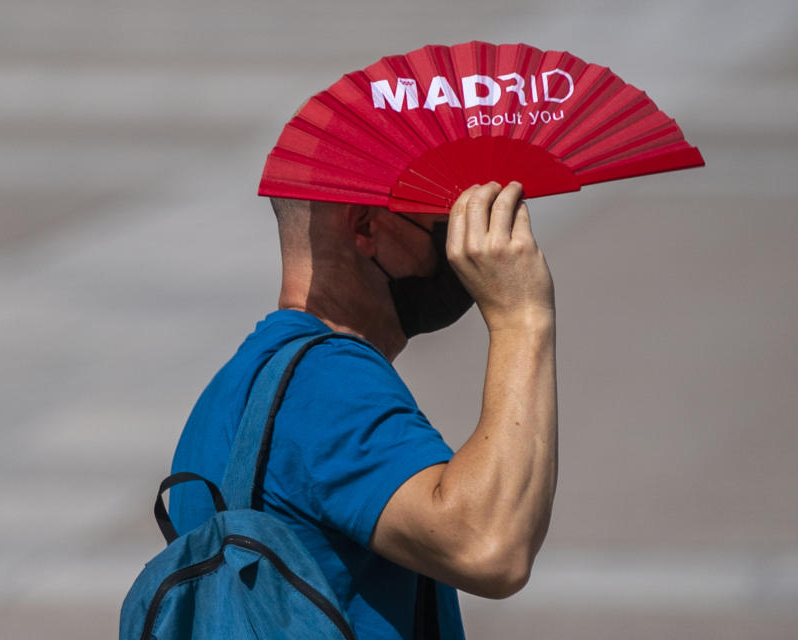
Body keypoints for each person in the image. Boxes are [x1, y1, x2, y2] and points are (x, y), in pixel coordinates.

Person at [169, 181, 558, 639]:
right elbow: (489, 546)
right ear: (365, 225)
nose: (464, 240)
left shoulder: (237, 382)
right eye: (445, 213)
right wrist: (522, 318)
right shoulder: (328, 383)